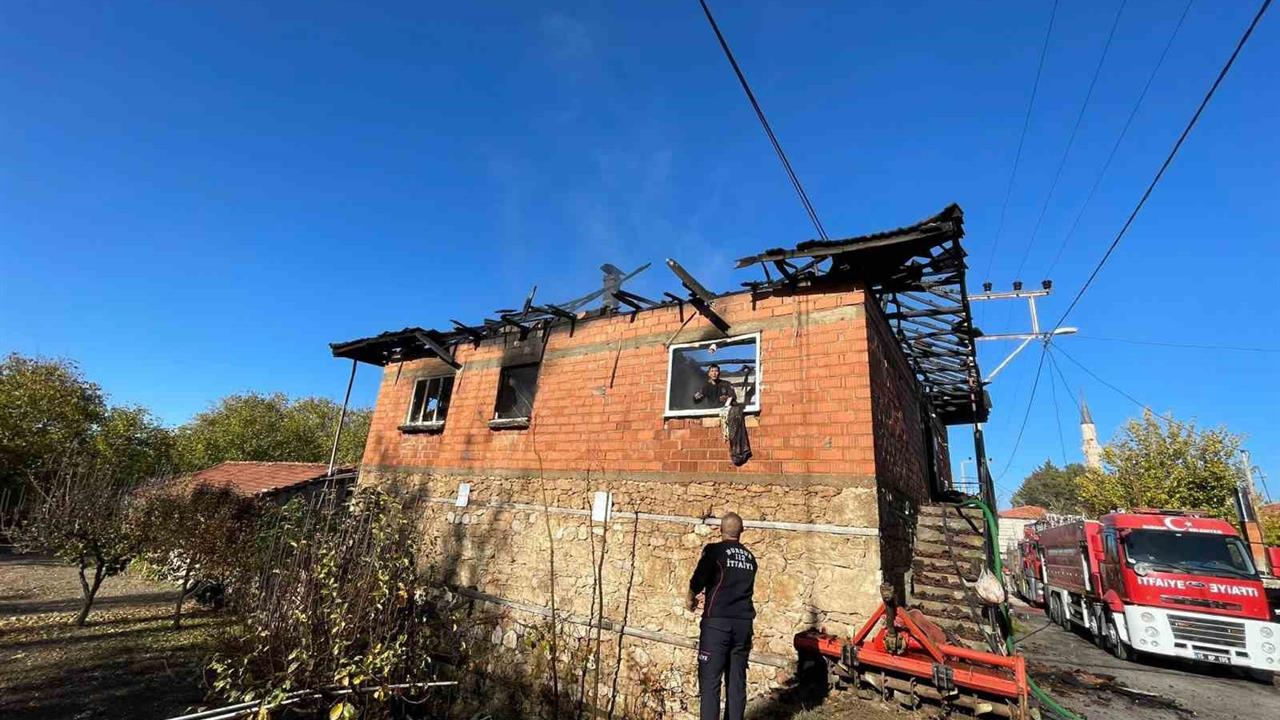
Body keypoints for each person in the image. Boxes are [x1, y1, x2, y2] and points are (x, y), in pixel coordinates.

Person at [687, 512, 757, 720]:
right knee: (736, 683)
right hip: (743, 626)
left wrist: (690, 597)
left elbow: (699, 578)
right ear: (741, 531)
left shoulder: (714, 552)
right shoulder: (750, 559)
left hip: (717, 626)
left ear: (720, 530)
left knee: (710, 683)